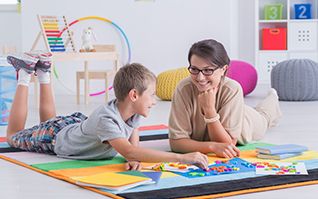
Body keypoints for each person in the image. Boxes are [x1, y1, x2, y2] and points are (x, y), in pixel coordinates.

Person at [6, 53, 209, 170]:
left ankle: (44, 72)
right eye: (152, 95)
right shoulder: (107, 119)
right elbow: (129, 150)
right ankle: (25, 75)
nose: (155, 101)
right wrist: (183, 158)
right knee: (12, 137)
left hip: (76, 126)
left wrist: (133, 159)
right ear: (134, 95)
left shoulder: (134, 111)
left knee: (48, 121)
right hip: (55, 137)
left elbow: (133, 148)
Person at [169, 39, 282, 158]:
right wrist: (211, 147)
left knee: (265, 116)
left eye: (208, 70)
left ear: (223, 69)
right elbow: (176, 143)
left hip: (246, 122)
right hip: (230, 111)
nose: (200, 78)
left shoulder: (232, 89)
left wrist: (209, 110)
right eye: (195, 69)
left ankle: (272, 96)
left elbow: (226, 145)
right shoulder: (183, 89)